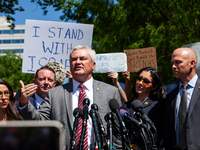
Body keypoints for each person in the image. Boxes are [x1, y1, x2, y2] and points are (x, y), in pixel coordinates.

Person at [17, 45, 121, 149]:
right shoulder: (55, 94)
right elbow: (40, 122)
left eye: (83, 59)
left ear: (93, 65)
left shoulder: (110, 92)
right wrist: (24, 103)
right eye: (74, 59)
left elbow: (118, 130)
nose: (78, 62)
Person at [164, 47, 200, 150]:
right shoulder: (170, 93)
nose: (173, 66)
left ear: (192, 63)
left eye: (178, 62)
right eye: (172, 63)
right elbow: (168, 128)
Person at [123, 67, 166, 148]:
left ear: (154, 87)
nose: (140, 83)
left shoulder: (157, 106)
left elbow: (156, 133)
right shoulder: (127, 105)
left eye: (146, 81)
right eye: (139, 79)